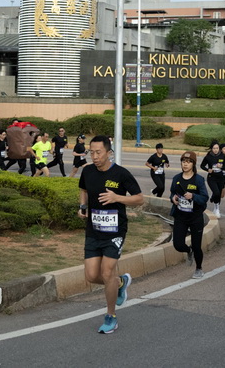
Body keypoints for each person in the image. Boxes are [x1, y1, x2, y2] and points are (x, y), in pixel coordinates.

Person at [78, 135, 143, 334]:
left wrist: (117, 197)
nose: (95, 157)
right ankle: (121, 282)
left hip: (115, 231)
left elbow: (139, 199)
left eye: (98, 152)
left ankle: (111, 316)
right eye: (91, 152)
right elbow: (83, 189)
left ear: (108, 153)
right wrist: (82, 206)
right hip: (93, 229)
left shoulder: (121, 174)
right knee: (91, 276)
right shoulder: (87, 171)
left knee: (107, 272)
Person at [170, 150, 209, 278]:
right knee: (178, 244)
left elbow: (204, 197)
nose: (185, 164)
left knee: (197, 245)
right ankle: (188, 250)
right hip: (181, 216)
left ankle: (198, 268)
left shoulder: (198, 180)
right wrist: (173, 199)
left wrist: (193, 196)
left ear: (193, 164)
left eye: (188, 162)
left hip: (195, 216)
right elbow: (172, 193)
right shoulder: (176, 178)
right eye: (183, 161)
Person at [200, 141, 225, 218]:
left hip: (220, 177)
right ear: (211, 149)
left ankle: (217, 209)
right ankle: (214, 200)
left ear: (219, 149)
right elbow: (202, 166)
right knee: (216, 193)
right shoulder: (208, 156)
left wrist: (221, 166)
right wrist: (208, 169)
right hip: (211, 177)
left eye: (217, 148)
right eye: (214, 148)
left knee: (218, 194)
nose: (215, 150)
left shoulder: (222, 156)